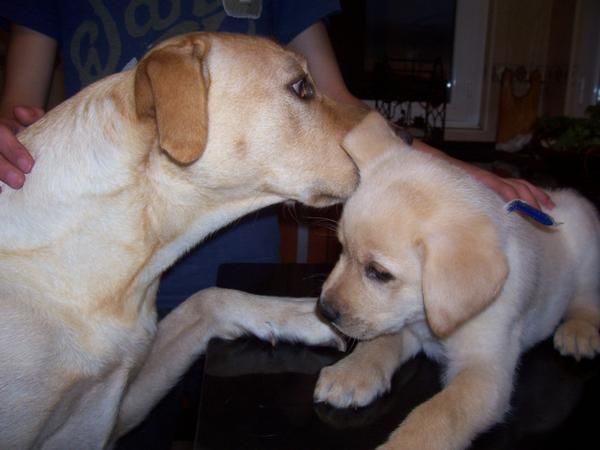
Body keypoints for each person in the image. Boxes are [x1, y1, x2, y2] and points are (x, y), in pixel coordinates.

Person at [0, 1, 553, 314]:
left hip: (241, 271)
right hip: (84, 274)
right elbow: (19, 112)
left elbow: (337, 107)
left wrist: (461, 175)